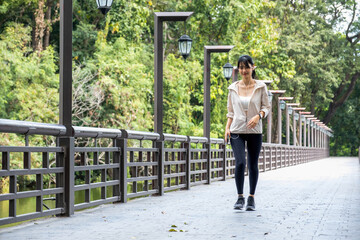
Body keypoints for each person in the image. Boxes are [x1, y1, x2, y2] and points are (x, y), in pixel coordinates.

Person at [225, 55, 271, 211]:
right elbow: (230, 112)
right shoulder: (232, 88)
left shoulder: (261, 87)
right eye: (241, 67)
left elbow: (266, 107)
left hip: (254, 130)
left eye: (247, 67)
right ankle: (240, 197)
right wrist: (227, 128)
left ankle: (251, 198)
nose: (244, 70)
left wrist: (258, 116)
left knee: (252, 164)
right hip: (237, 130)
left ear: (253, 68)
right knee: (240, 163)